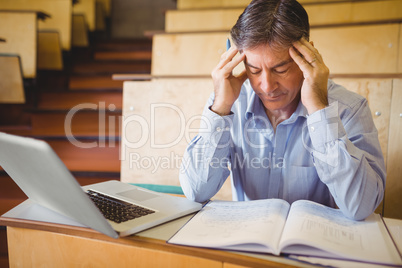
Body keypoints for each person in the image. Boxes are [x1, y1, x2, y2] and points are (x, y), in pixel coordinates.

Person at [179, 0, 385, 220]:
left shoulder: (349, 109)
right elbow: (196, 191)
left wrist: (319, 111)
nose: (267, 87)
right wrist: (220, 109)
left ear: (308, 55)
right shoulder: (228, 102)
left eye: (280, 69)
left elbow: (360, 207)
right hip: (248, 245)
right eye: (254, 70)